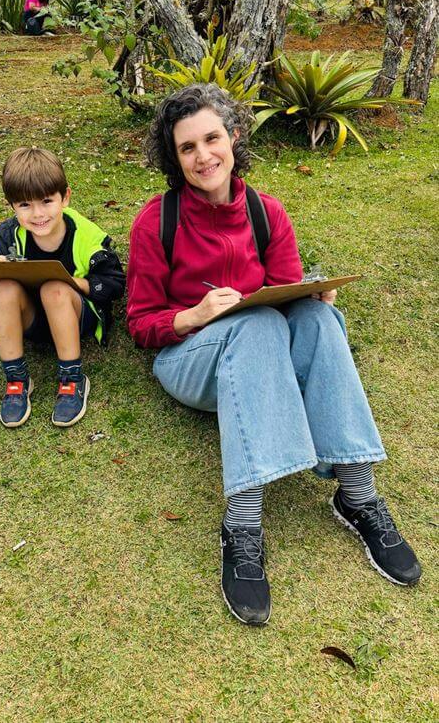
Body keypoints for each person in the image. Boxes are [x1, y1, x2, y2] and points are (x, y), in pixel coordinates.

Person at [126, 84, 421, 626]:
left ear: (234, 137)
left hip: (261, 357)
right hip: (189, 360)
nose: (203, 156)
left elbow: (284, 293)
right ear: (174, 157)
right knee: (258, 323)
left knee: (317, 318)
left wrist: (310, 295)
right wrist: (194, 314)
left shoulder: (267, 212)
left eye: (212, 139)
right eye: (187, 147)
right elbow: (141, 323)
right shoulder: (156, 222)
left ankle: (356, 493)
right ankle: (242, 523)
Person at [0, 147, 125, 428]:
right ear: (12, 206)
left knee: (53, 288)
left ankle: (72, 378)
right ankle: (16, 379)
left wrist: (71, 282)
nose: (38, 214)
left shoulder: (87, 234)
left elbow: (114, 284)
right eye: (25, 205)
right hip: (31, 319)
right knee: (3, 288)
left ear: (65, 197)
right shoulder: (9, 233)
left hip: (76, 317)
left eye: (46, 201)